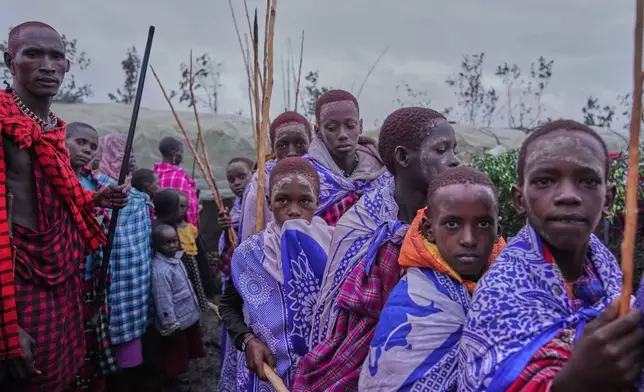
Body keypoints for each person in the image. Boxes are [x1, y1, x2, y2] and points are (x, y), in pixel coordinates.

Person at [458, 119, 644, 392]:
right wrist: (573, 383)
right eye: (545, 181)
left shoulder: (609, 276)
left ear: (608, 200)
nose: (568, 196)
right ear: (520, 200)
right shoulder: (499, 295)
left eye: (588, 181)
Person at [294, 107, 460, 391]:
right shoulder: (362, 225)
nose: (454, 160)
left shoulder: (461, 219)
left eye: (454, 149)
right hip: (368, 362)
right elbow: (339, 315)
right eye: (441, 150)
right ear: (403, 157)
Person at [0, 22, 127, 392]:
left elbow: (59, 197)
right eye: (33, 54)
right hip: (18, 281)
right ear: (11, 61)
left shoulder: (55, 129)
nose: (47, 65)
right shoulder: (5, 124)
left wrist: (95, 199)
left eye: (57, 56)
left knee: (64, 372)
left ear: (67, 66)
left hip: (64, 274)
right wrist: (6, 326)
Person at [359, 166, 506, 391]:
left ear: (498, 230)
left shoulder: (508, 286)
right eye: (452, 224)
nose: (468, 239)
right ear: (428, 228)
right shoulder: (414, 298)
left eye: (483, 224)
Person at [226, 157, 334, 391]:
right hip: (270, 374)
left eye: (304, 200)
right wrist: (247, 340)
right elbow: (228, 306)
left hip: (324, 375)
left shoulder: (335, 248)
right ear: (268, 202)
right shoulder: (248, 254)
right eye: (282, 199)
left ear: (318, 202)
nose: (293, 210)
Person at [95, 134, 153, 386]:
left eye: (131, 153)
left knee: (129, 332)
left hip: (134, 272)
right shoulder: (99, 188)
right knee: (113, 326)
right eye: (123, 153)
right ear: (108, 155)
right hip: (114, 272)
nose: (130, 158)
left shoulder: (131, 190)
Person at [66, 122, 119, 392]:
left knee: (92, 337)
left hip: (91, 273)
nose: (87, 150)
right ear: (61, 141)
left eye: (93, 147)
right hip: (64, 276)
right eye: (80, 143)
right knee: (66, 340)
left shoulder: (93, 181)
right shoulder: (54, 179)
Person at [307, 89, 391, 226]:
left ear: (360, 126)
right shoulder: (306, 175)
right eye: (332, 128)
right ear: (318, 131)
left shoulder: (382, 173)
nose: (343, 135)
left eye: (350, 126)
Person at [238, 111, 312, 242]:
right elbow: (250, 235)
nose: (291, 152)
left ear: (311, 144)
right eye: (282, 145)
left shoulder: (326, 180)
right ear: (273, 149)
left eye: (300, 143)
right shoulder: (261, 183)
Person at [150, 220, 205, 391]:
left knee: (186, 348)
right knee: (175, 353)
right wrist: (170, 324)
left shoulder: (176, 259)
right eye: (167, 242)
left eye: (175, 240)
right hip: (176, 322)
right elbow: (163, 300)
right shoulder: (160, 271)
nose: (173, 245)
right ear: (157, 245)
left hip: (186, 315)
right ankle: (170, 379)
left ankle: (179, 375)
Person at [217, 157, 253, 392]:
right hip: (234, 282)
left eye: (242, 176)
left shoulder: (258, 205)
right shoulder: (236, 208)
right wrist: (227, 229)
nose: (236, 183)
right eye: (231, 179)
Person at [155, 189, 209, 312]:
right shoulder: (165, 228)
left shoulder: (190, 228)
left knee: (194, 284)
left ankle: (200, 307)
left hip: (190, 259)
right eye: (177, 206)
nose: (179, 210)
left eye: (183, 206)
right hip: (176, 262)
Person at [154, 137, 199, 228]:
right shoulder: (177, 176)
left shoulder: (154, 174)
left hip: (159, 227)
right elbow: (188, 206)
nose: (182, 156)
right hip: (179, 228)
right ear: (173, 153)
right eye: (181, 152)